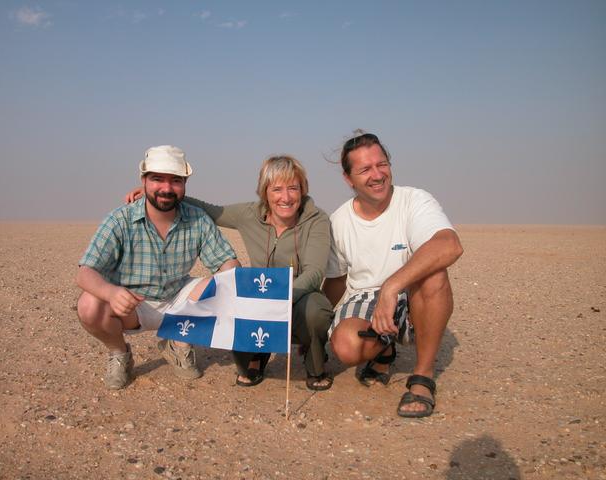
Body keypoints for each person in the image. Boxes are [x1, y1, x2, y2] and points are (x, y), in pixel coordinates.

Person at [126, 155, 334, 390]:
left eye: (293, 188)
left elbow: (315, 273)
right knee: (231, 294)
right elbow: (209, 210)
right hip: (258, 296)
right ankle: (257, 355)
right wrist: (160, 194)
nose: (285, 197)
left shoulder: (317, 220)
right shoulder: (249, 214)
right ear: (265, 191)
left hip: (298, 296)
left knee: (316, 311)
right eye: (277, 189)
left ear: (302, 190)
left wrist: (276, 301)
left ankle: (315, 364)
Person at [323, 132, 463, 417]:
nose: (377, 175)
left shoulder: (414, 201)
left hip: (410, 294)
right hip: (364, 298)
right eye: (365, 169)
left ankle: (422, 377)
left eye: (382, 164)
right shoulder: (339, 221)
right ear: (349, 179)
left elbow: (450, 245)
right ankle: (383, 350)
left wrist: (391, 287)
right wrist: (312, 328)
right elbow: (337, 280)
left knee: (434, 274)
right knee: (346, 346)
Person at [77, 145, 239, 389]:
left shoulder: (197, 219)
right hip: (133, 304)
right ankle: (119, 354)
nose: (166, 188)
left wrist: (229, 279)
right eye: (157, 179)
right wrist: (112, 293)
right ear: (143, 181)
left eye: (175, 180)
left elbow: (226, 261)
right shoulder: (119, 220)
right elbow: (85, 272)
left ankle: (178, 341)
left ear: (185, 184)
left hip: (180, 300)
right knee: (89, 305)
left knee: (229, 279)